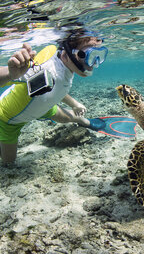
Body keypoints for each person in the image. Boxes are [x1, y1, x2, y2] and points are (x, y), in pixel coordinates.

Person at [0, 30, 108, 165]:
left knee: (67, 118)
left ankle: (87, 122)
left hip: (43, 106)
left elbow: (55, 89)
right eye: (87, 55)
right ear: (66, 53)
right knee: (9, 163)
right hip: (9, 119)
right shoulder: (44, 66)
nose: (93, 63)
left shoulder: (68, 66)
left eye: (98, 55)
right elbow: (9, 74)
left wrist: (74, 103)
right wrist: (10, 74)